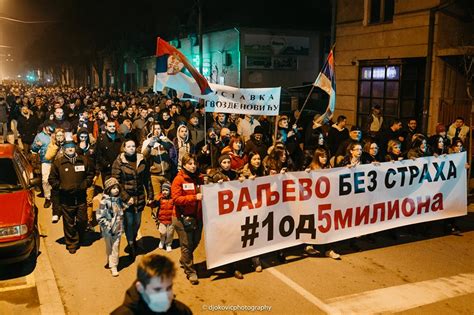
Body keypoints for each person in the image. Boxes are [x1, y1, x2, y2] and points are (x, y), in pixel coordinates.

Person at [48, 140, 95, 254]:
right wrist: (61, 187)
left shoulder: (83, 161)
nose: (70, 149)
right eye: (68, 148)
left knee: (82, 220)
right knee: (68, 222)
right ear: (64, 150)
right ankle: (71, 243)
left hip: (80, 197)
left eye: (72, 147)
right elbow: (52, 179)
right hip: (66, 199)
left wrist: (84, 184)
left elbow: (91, 174)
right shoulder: (58, 163)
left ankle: (80, 235)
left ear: (75, 148)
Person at [112, 139, 153, 259]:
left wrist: (150, 195)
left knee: (137, 222)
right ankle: (131, 244)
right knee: (129, 222)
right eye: (128, 146)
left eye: (133, 146)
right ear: (124, 148)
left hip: (139, 196)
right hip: (126, 198)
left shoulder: (141, 160)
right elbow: (116, 182)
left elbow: (147, 179)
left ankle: (133, 238)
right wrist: (125, 197)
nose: (131, 148)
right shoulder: (119, 162)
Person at [112, 254, 192, 315]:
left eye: (168, 288)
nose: (166, 296)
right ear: (140, 288)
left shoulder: (182, 312)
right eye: (157, 290)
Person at [171, 154, 203, 285]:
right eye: (189, 163)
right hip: (181, 218)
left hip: (197, 216)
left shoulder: (200, 178)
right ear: (183, 165)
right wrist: (194, 198)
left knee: (195, 241)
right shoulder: (178, 180)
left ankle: (184, 259)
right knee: (186, 245)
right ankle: (190, 271)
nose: (193, 166)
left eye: (194, 163)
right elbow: (176, 199)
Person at [304, 147, 341, 260]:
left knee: (326, 225)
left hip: (326, 202)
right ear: (317, 157)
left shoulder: (329, 167)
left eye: (325, 156)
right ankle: (309, 245)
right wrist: (305, 174)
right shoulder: (311, 168)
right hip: (314, 202)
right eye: (322, 156)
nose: (324, 159)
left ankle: (328, 249)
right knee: (315, 224)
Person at [96, 177, 128, 277]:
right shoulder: (104, 202)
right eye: (113, 188)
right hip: (108, 230)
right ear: (109, 189)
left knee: (116, 247)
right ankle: (110, 260)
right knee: (109, 247)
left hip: (118, 228)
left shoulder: (118, 200)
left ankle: (113, 266)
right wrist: (107, 225)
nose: (116, 190)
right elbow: (99, 216)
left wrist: (127, 205)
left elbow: (120, 210)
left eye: (117, 187)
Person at [152, 182, 175, 252]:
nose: (164, 192)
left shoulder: (173, 199)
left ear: (170, 191)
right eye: (163, 190)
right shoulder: (160, 199)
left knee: (170, 233)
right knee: (162, 232)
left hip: (171, 220)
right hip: (161, 219)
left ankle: (168, 244)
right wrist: (151, 203)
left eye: (166, 190)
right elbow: (155, 205)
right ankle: (162, 240)